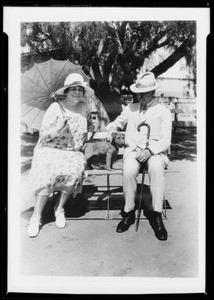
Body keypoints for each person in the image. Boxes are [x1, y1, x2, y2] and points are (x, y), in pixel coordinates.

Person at [106, 72, 172, 240]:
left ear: (153, 93)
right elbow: (117, 123)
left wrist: (150, 151)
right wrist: (112, 129)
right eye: (139, 93)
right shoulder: (130, 108)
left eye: (144, 93)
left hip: (154, 152)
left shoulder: (163, 111)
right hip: (134, 151)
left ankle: (156, 214)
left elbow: (166, 140)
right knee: (128, 169)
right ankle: (128, 212)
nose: (140, 96)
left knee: (157, 167)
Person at [27, 73, 94, 238]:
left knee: (75, 170)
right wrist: (57, 130)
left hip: (72, 151)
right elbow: (43, 135)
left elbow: (90, 127)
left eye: (80, 89)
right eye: (74, 89)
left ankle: (59, 208)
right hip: (50, 148)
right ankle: (36, 217)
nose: (77, 93)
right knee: (48, 171)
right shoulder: (55, 107)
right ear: (67, 90)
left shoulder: (84, 107)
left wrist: (88, 137)